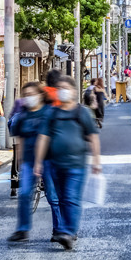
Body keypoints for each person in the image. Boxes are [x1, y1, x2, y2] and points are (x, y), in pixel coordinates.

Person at [34, 77, 101, 249]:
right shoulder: (52, 113)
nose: (62, 91)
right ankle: (65, 230)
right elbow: (43, 137)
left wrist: (96, 161)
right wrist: (38, 161)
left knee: (71, 197)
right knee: (62, 198)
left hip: (76, 164)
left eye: (65, 87)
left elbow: (93, 137)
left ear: (73, 91)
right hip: (55, 164)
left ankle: (68, 232)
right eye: (59, 88)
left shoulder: (82, 112)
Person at [8, 82, 57, 242]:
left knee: (53, 197)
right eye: (26, 95)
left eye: (31, 94)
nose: (29, 98)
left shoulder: (49, 113)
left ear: (40, 95)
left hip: (48, 160)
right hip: (29, 161)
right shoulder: (23, 115)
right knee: (24, 194)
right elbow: (20, 139)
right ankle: (23, 229)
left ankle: (59, 229)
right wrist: (20, 162)